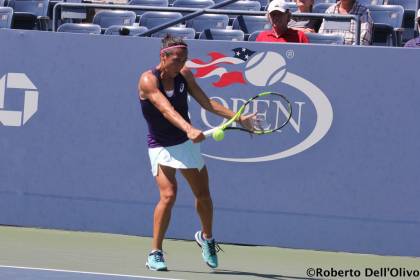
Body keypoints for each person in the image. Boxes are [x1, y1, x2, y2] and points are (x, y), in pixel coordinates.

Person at [138, 35, 255, 271]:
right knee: (168, 194)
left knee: (203, 195)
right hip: (160, 144)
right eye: (177, 60)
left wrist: (238, 117)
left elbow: (207, 102)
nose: (182, 65)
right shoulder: (148, 80)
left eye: (185, 60)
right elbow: (166, 109)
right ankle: (155, 253)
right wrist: (190, 128)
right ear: (164, 56)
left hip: (185, 143)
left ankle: (207, 238)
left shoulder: (185, 75)